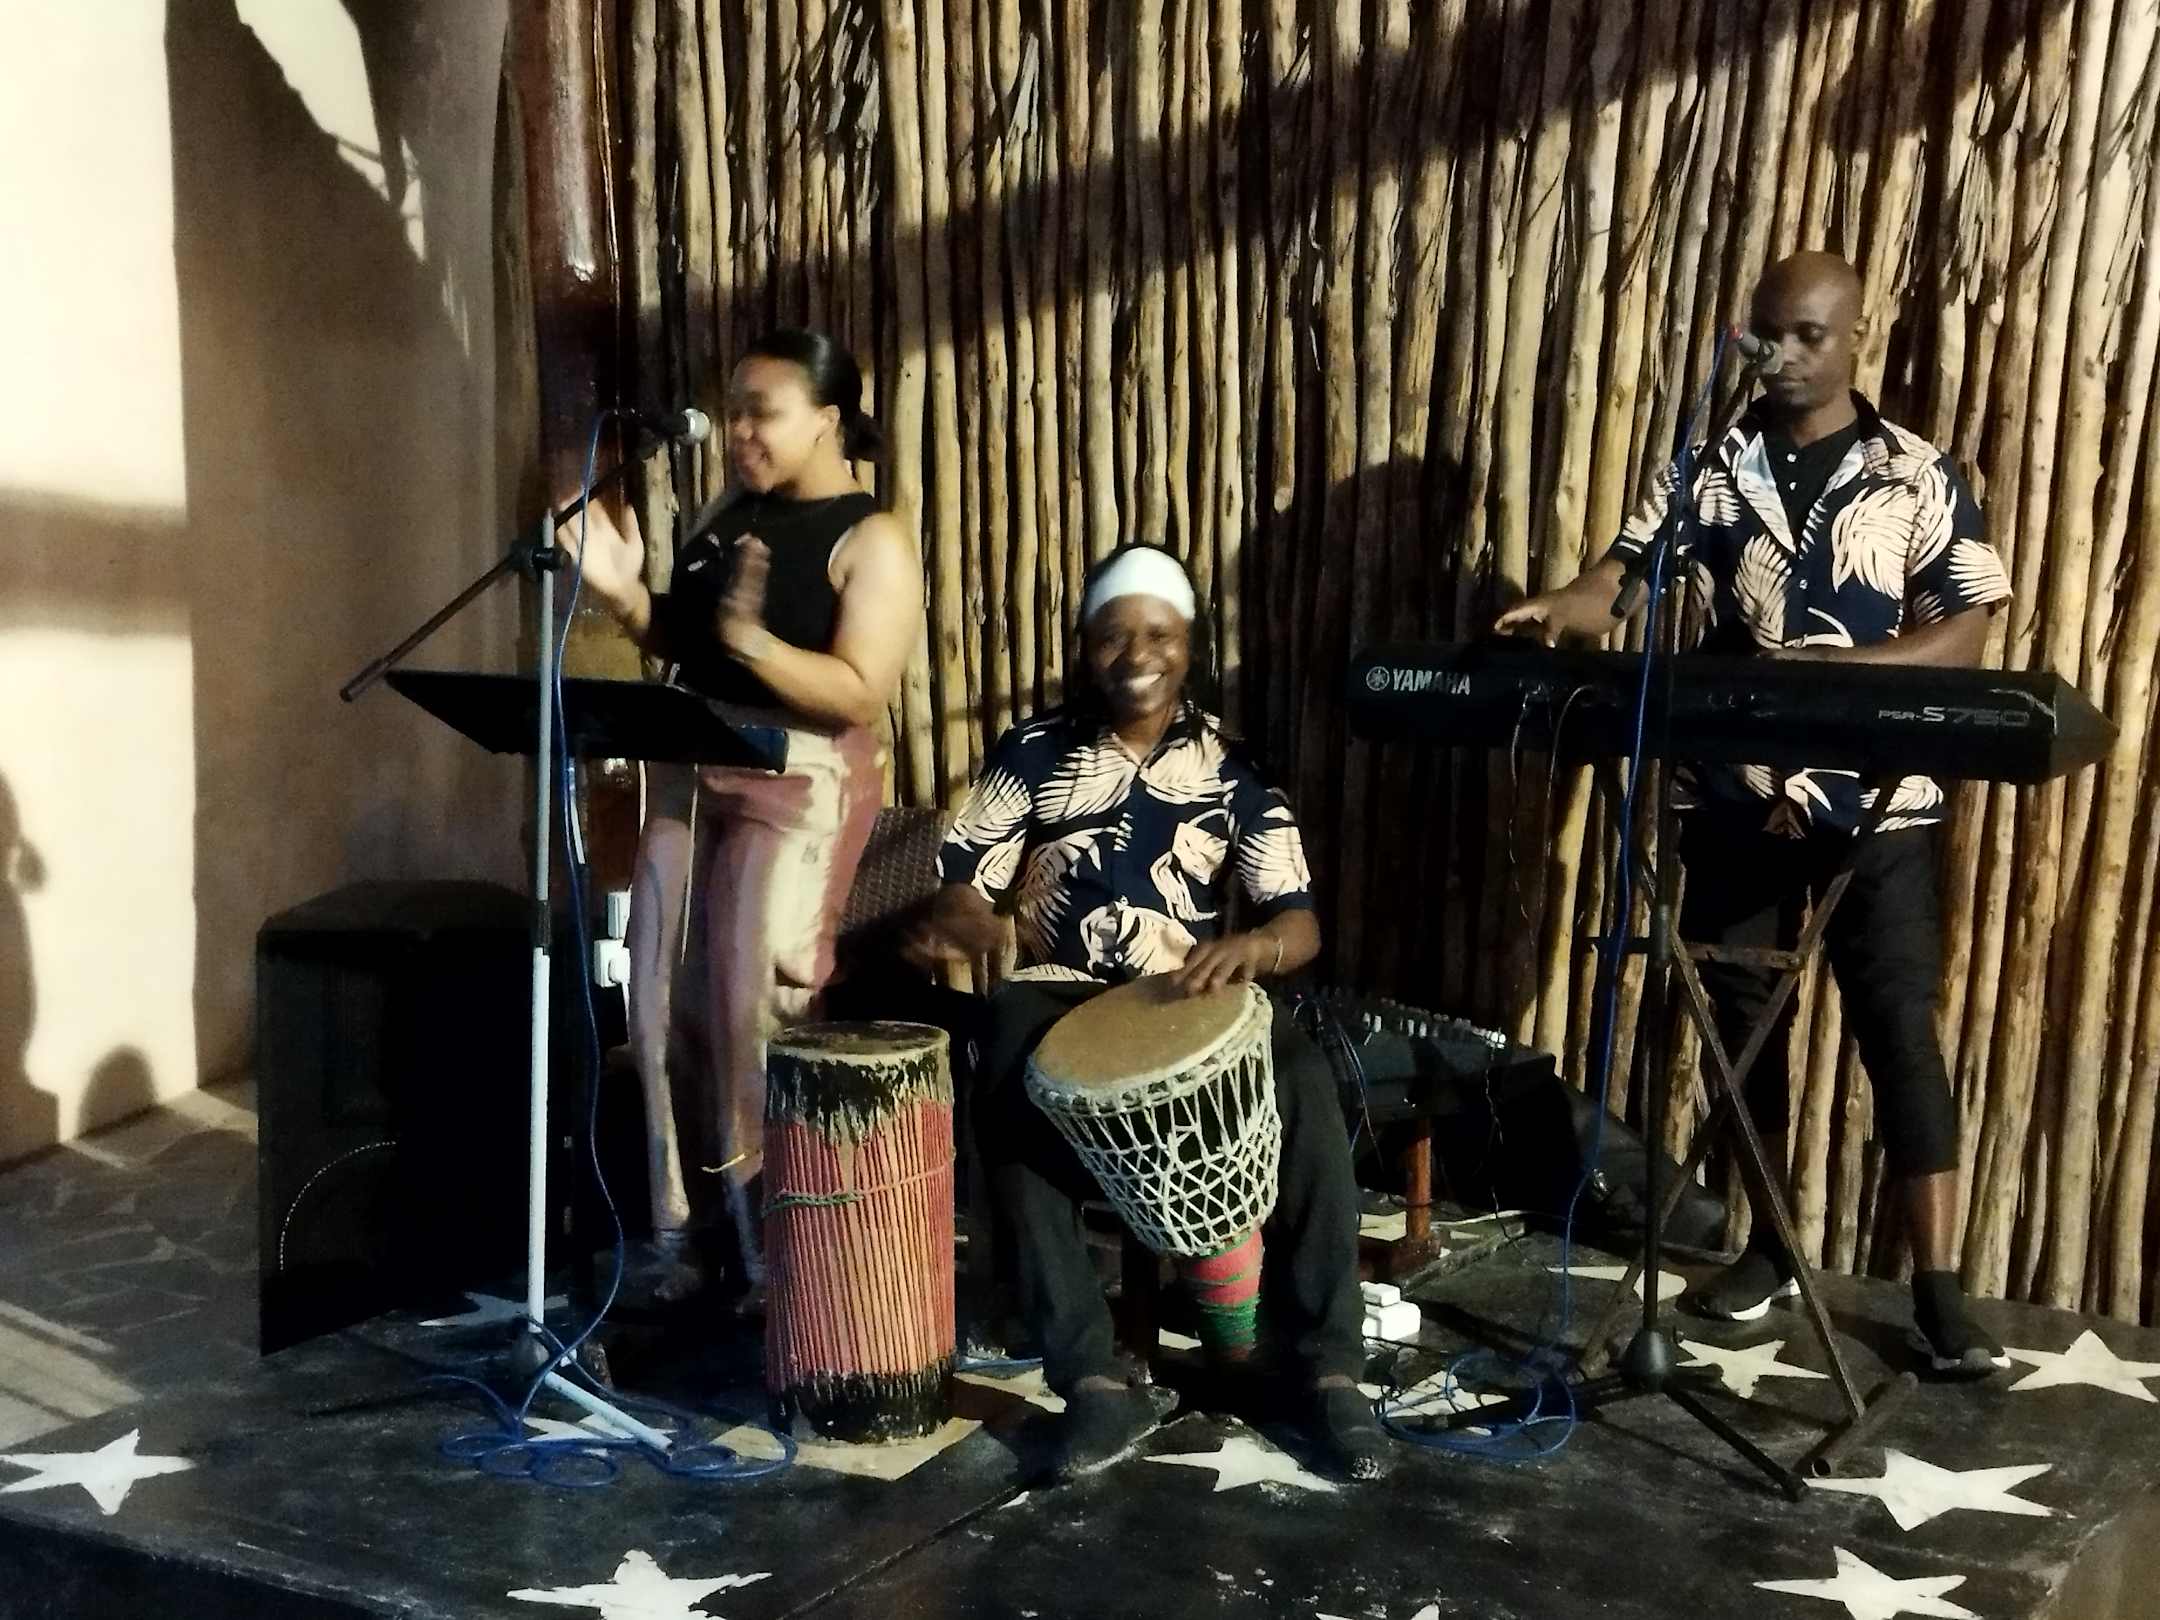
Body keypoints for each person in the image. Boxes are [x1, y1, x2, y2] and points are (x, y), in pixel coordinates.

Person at [1495, 251, 2014, 1376]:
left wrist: (1836, 677)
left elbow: (1966, 630)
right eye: (1767, 335)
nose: (1781, 356)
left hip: (1878, 805)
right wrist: (1569, 605)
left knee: (1897, 1030)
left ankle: (1939, 1293)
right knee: (1740, 1029)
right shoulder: (1711, 467)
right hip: (1733, 794)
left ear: (1858, 334)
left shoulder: (1919, 473)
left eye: (1807, 336)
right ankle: (1771, 1248)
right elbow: (1625, 573)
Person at [908, 543, 1388, 1481]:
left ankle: (1331, 1370)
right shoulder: (1034, 752)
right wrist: (966, 915)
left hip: (1187, 994)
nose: (1138, 654)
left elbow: (1298, 921)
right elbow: (968, 879)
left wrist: (1254, 949)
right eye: (1114, 635)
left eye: (1160, 634)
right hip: (1060, 990)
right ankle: (1091, 1379)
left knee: (1300, 1073)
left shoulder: (1230, 764)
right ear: (1086, 646)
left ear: (1190, 645)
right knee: (1006, 1064)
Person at [573, 328, 923, 1305]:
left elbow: (860, 689)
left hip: (793, 784)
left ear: (828, 420)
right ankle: (681, 1242)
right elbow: (685, 641)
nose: (738, 433)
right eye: (733, 413)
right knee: (660, 1010)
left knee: (750, 1015)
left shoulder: (872, 539)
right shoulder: (729, 511)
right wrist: (626, 600)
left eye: (761, 414)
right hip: (689, 772)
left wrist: (753, 643)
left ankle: (776, 1263)